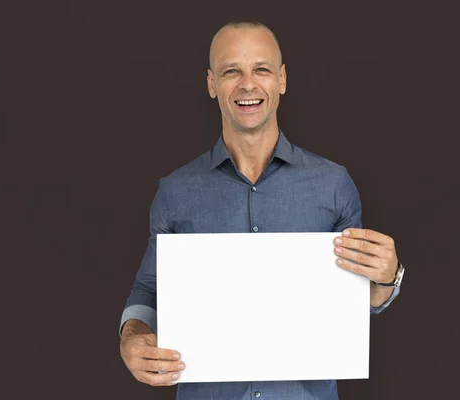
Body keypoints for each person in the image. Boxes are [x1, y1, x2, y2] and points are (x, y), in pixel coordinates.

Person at [119, 20, 404, 400]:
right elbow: (149, 288)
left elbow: (355, 301)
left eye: (262, 69)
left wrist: (388, 277)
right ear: (211, 84)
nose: (248, 84)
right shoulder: (175, 192)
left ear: (282, 80)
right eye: (231, 71)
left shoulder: (333, 185)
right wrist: (132, 338)